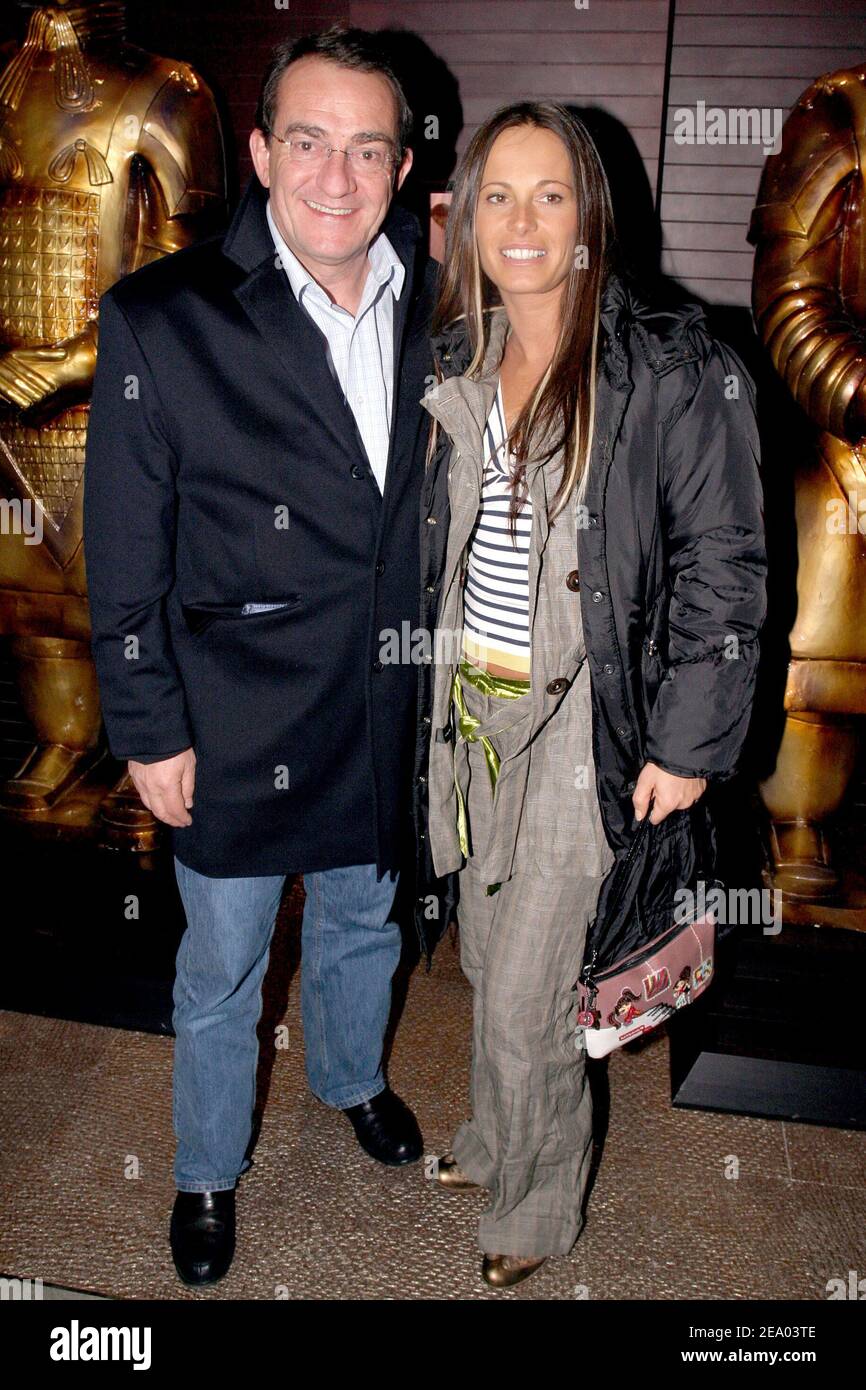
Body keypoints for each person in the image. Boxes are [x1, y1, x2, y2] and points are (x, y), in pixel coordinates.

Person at [83, 26, 447, 1288]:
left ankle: (351, 1079)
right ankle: (203, 1171)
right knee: (223, 962)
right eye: (307, 141)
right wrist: (145, 726)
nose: (335, 177)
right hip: (229, 714)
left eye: (365, 148)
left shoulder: (441, 299)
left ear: (400, 169)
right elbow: (124, 555)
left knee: (362, 920)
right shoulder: (158, 321)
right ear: (258, 151)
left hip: (382, 698)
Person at [413, 101, 767, 1288]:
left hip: (583, 723)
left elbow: (722, 567)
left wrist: (686, 741)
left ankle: (534, 1212)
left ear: (587, 220)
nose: (520, 220)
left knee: (526, 998)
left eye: (549, 194)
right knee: (479, 954)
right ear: (462, 219)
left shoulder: (669, 366)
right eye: (495, 195)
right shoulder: (457, 356)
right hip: (473, 715)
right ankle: (486, 1139)